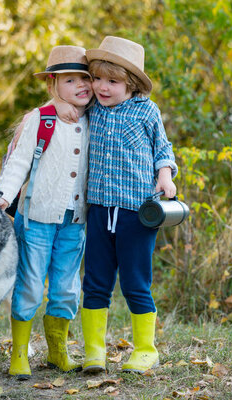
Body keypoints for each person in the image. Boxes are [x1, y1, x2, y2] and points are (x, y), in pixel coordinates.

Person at [56, 36, 177, 374]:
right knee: (94, 281)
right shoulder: (91, 108)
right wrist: (62, 107)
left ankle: (145, 350)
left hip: (136, 213)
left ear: (131, 83)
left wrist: (165, 176)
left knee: (136, 282)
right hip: (97, 211)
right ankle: (95, 351)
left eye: (113, 81)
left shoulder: (146, 111)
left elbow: (162, 149)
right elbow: (64, 105)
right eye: (97, 79)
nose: (102, 87)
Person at [0, 45, 92, 380]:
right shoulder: (41, 118)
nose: (81, 85)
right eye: (70, 80)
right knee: (32, 284)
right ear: (53, 84)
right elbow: (18, 163)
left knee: (66, 288)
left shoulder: (96, 118)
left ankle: (57, 352)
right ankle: (19, 354)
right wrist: (4, 197)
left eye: (85, 78)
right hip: (36, 216)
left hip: (75, 221)